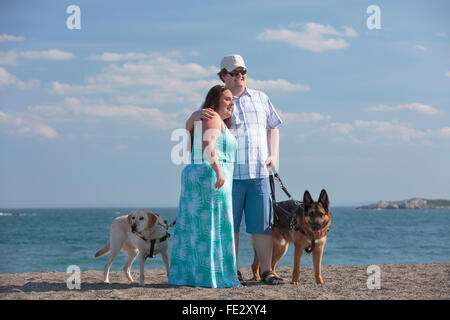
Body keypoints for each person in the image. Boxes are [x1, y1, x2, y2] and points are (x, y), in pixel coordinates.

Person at [185, 54, 284, 285]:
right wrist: (191, 117)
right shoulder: (216, 101)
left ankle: (267, 271)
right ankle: (233, 269)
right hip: (230, 174)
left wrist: (273, 155)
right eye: (234, 73)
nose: (240, 76)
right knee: (230, 225)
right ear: (223, 76)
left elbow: (274, 127)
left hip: (259, 172)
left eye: (243, 72)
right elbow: (197, 132)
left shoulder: (261, 98)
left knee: (262, 225)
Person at [168, 85, 241, 288]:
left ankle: (192, 276)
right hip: (209, 179)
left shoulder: (211, 119)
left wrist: (191, 118)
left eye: (232, 99)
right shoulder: (212, 117)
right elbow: (207, 145)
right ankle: (209, 277)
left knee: (198, 230)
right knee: (210, 229)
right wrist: (218, 172)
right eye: (227, 99)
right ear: (215, 100)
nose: (231, 103)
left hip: (202, 178)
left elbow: (191, 144)